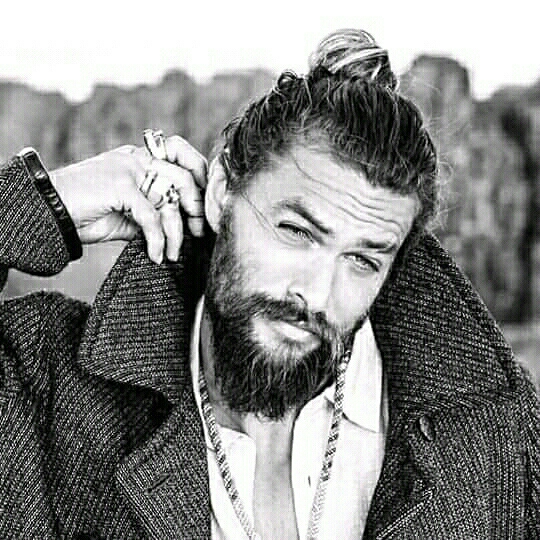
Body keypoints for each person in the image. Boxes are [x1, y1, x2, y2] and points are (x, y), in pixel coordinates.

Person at [0, 29, 538, 540]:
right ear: (222, 192)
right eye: (297, 231)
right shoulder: (47, 383)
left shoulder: (493, 438)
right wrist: (40, 203)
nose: (317, 295)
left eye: (362, 260)